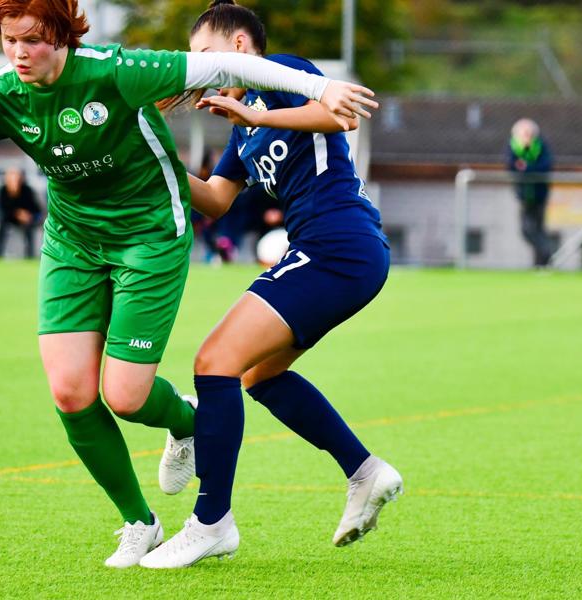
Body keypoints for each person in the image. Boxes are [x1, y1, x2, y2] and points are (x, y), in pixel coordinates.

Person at [0, 0, 378, 568]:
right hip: (74, 241)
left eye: (31, 40)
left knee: (162, 383)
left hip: (214, 239)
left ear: (61, 37)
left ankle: (206, 485)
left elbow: (272, 83)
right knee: (85, 391)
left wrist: (321, 88)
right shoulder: (3, 93)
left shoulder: (128, 71)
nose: (18, 52)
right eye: (9, 40)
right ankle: (145, 520)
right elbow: (212, 197)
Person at [139, 0, 398, 569]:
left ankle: (212, 522)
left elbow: (339, 116)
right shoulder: (241, 127)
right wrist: (148, 157)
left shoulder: (282, 69)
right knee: (257, 375)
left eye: (202, 53)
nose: (196, 66)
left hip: (338, 242)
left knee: (214, 362)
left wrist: (258, 116)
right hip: (329, 249)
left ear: (237, 47)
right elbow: (213, 199)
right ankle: (365, 472)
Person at [506, 118, 554, 267]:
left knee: (539, 228)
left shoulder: (541, 147)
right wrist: (526, 168)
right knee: (526, 230)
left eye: (529, 133)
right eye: (524, 133)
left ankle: (540, 264)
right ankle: (546, 250)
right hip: (524, 195)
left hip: (539, 194)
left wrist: (526, 167)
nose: (526, 136)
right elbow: (511, 166)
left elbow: (545, 166)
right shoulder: (513, 147)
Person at [0, 167, 44, 259]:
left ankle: (30, 255)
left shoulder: (27, 190)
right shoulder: (3, 190)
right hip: (10, 217)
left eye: (16, 177)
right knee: (2, 224)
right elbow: (3, 208)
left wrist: (27, 215)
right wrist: (17, 213)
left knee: (29, 227)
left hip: (27, 218)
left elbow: (35, 208)